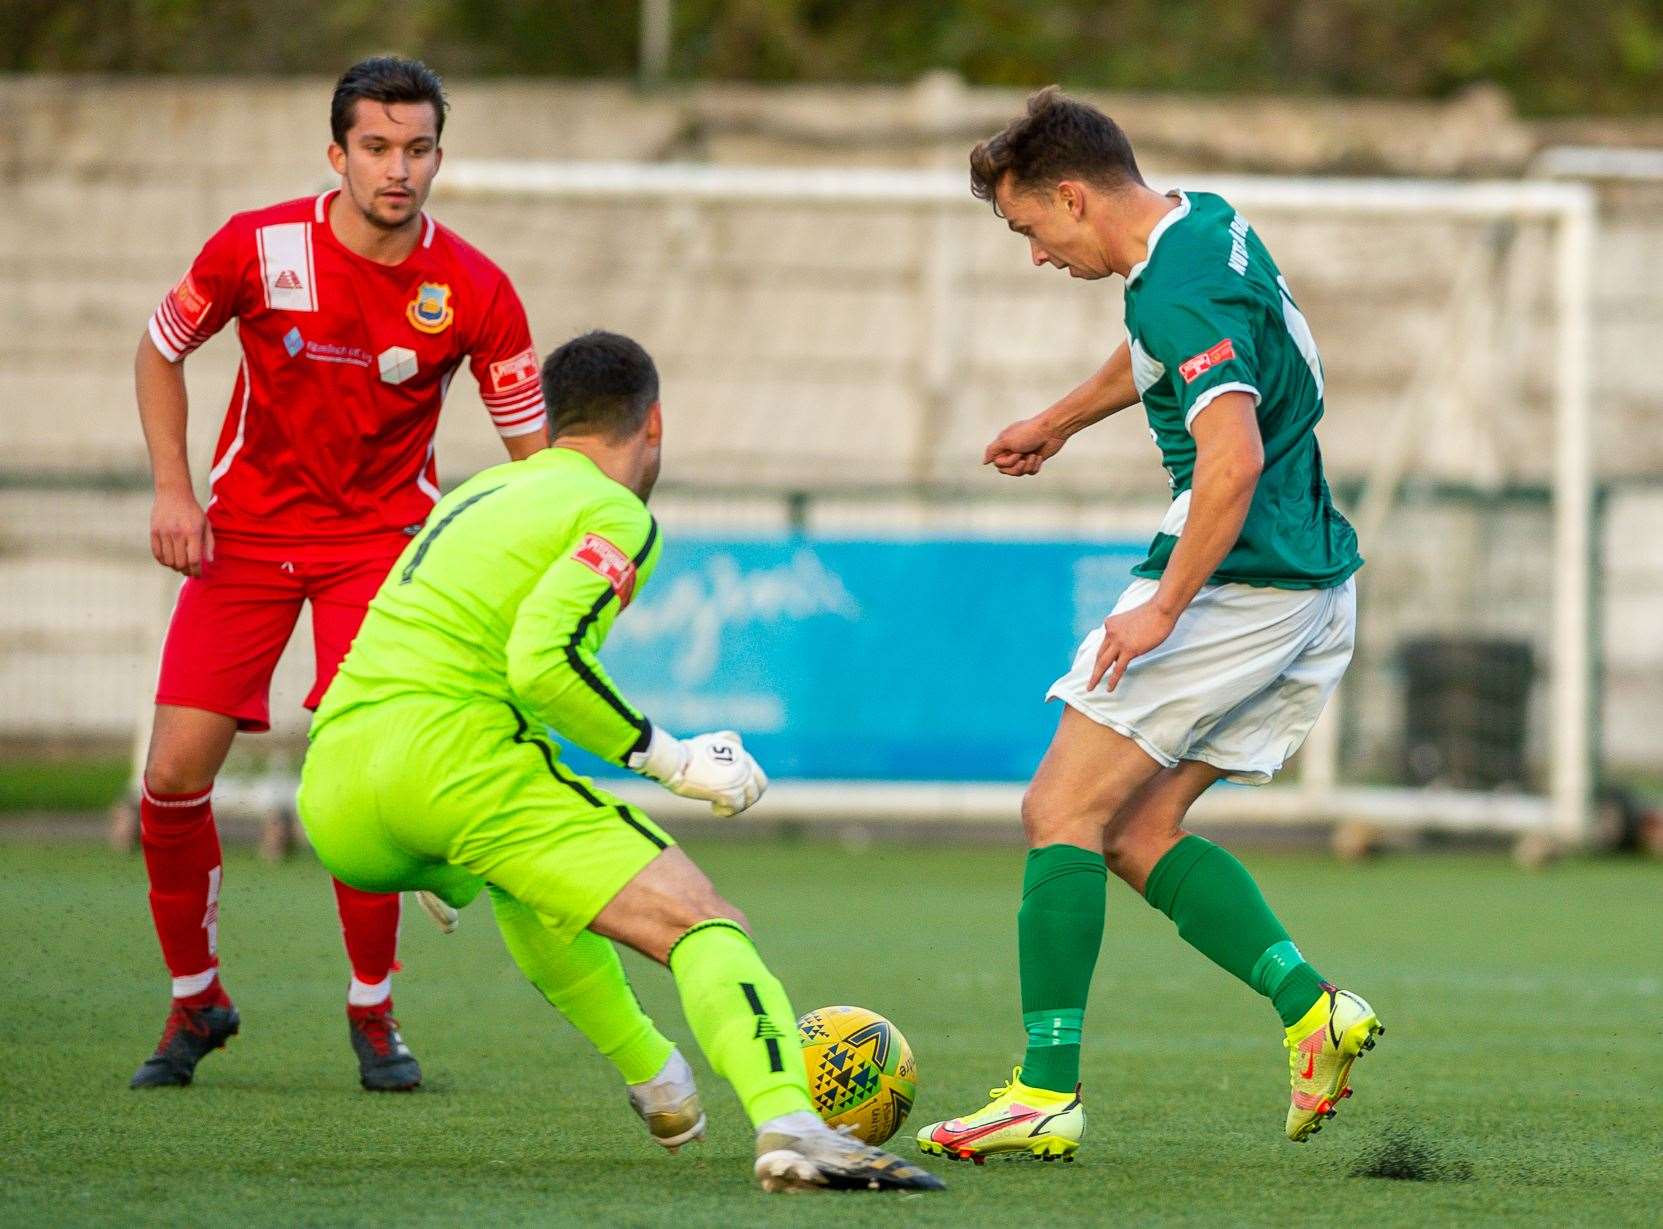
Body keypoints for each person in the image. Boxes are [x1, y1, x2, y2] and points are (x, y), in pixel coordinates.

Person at [295, 330, 944, 1194]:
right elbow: (542, 659)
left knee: (524, 876)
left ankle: (658, 1078)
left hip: (336, 785)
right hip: (450, 764)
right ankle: (795, 1126)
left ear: (553, 420)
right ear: (654, 424)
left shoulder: (477, 490)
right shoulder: (618, 514)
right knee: (703, 919)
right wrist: (672, 759)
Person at [915, 88, 1383, 1164]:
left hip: (1234, 580)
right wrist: (1057, 420)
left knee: (1058, 808)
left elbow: (1233, 456)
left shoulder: (1170, 292)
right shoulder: (1204, 224)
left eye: (1032, 229)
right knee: (1130, 831)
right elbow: (1162, 350)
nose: (1036, 255)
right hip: (1307, 578)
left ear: (1072, 197)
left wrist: (1163, 606)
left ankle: (1042, 1088)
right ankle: (1314, 1011)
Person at [131, 56, 551, 1091]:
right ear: (337, 154)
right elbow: (157, 348)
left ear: (438, 156)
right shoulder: (256, 246)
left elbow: (536, 465)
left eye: (416, 149)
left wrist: (553, 567)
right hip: (242, 538)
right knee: (172, 779)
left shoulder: (478, 290)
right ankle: (198, 1000)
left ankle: (374, 1010)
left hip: (381, 549)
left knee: (357, 782)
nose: (396, 168)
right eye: (376, 147)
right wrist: (174, 492)